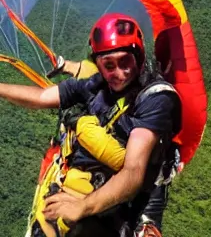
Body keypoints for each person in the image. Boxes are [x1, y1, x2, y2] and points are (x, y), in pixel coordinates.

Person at [0, 13, 182, 236]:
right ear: (98, 64)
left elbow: (133, 171)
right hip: (84, 185)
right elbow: (41, 97)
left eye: (125, 62)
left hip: (120, 207)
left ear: (139, 56)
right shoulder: (96, 86)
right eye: (109, 65)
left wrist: (81, 207)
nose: (120, 73)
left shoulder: (155, 99)